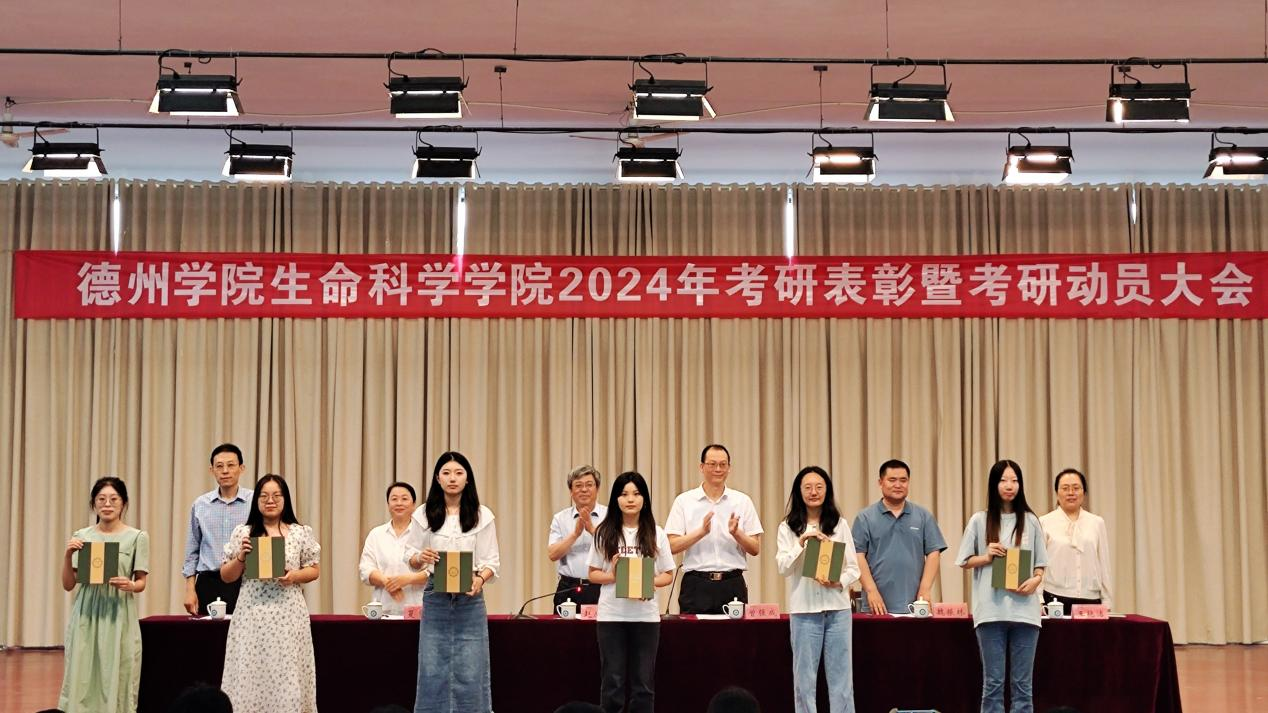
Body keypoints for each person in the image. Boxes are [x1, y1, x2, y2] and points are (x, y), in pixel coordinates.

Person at [406, 451, 500, 713]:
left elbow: (492, 561)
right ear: (437, 478)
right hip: (435, 595)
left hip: (470, 597)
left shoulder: (482, 515)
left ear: (467, 479)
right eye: (446, 473)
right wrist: (420, 557)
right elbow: (410, 556)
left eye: (458, 473)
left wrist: (480, 579)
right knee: (432, 665)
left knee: (472, 666)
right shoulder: (424, 513)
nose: (452, 478)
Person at [219, 474, 321, 713]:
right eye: (264, 496)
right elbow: (226, 576)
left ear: (286, 499)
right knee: (250, 672)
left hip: (289, 614)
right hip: (251, 615)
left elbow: (314, 570)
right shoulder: (243, 533)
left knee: (287, 672)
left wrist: (294, 576)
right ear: (256, 500)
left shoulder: (299, 532)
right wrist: (241, 557)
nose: (270, 500)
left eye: (276, 495)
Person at [956, 460, 1049, 713]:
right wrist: (986, 557)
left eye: (1015, 481)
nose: (1010, 486)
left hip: (1025, 613)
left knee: (1023, 686)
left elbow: (1040, 564)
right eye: (1004, 480)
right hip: (991, 612)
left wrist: (1036, 580)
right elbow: (963, 561)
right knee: (993, 684)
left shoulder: (1030, 520)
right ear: (994, 484)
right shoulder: (980, 520)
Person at [59, 476, 150, 713]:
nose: (107, 504)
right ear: (93, 504)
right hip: (86, 613)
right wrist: (68, 555)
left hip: (118, 611)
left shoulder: (137, 537)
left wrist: (131, 585)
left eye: (113, 499)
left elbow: (141, 582)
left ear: (124, 503)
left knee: (119, 669)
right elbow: (68, 584)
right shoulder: (82, 536)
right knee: (82, 671)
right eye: (101, 499)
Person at [587, 472, 676, 713]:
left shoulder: (656, 533)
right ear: (615, 499)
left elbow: (668, 574)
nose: (630, 499)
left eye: (636, 494)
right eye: (624, 494)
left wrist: (648, 583)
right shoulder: (604, 532)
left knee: (643, 684)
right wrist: (614, 576)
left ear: (644, 499)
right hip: (611, 617)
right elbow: (593, 574)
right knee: (612, 681)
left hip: (645, 617)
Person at [775, 466, 861, 713]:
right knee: (804, 681)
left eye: (819, 487)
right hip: (804, 611)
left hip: (838, 610)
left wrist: (839, 581)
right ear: (799, 492)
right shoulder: (788, 527)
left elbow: (854, 569)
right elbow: (783, 568)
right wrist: (801, 544)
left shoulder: (839, 525)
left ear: (827, 490)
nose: (814, 492)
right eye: (808, 487)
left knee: (842, 680)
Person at [664, 444, 763, 614]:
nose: (718, 469)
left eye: (723, 464)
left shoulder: (742, 501)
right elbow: (671, 546)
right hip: (696, 585)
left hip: (732, 584)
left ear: (729, 468)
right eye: (712, 464)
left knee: (735, 632)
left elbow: (755, 549)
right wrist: (700, 532)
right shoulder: (684, 501)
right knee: (693, 632)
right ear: (701, 467)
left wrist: (737, 533)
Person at [851, 459, 947, 615]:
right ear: (880, 482)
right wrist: (871, 590)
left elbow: (933, 553)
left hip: (915, 604)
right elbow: (857, 555)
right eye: (892, 480)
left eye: (903, 480)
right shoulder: (865, 517)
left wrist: (925, 589)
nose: (898, 485)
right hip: (876, 605)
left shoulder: (923, 516)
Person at [182, 444, 254, 616]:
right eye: (219, 466)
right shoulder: (200, 504)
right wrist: (190, 590)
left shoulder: (254, 501)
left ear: (242, 468)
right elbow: (192, 552)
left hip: (246, 580)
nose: (225, 471)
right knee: (209, 632)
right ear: (211, 470)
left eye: (231, 465)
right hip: (209, 581)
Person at [1039, 468, 1113, 610]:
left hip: (1091, 599)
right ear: (1057, 493)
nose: (1071, 493)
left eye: (1076, 488)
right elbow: (1039, 565)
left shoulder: (1096, 522)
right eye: (1065, 488)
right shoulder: (1044, 522)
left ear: (1084, 492)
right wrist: (1039, 599)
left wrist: (1107, 601)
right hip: (1054, 599)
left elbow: (1104, 564)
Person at [359, 481, 426, 616]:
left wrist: (408, 579)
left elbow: (434, 572)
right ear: (388, 504)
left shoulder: (425, 534)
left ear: (414, 504)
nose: (399, 503)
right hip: (383, 609)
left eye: (404, 499)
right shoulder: (376, 534)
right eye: (394, 499)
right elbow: (365, 569)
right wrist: (386, 582)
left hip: (417, 610)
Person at [547, 465, 608, 607]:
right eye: (578, 485)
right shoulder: (560, 518)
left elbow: (617, 551)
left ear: (597, 488)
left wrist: (592, 530)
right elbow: (553, 554)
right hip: (569, 588)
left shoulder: (610, 516)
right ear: (571, 491)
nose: (584, 490)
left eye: (589, 485)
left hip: (602, 588)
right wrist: (575, 534)